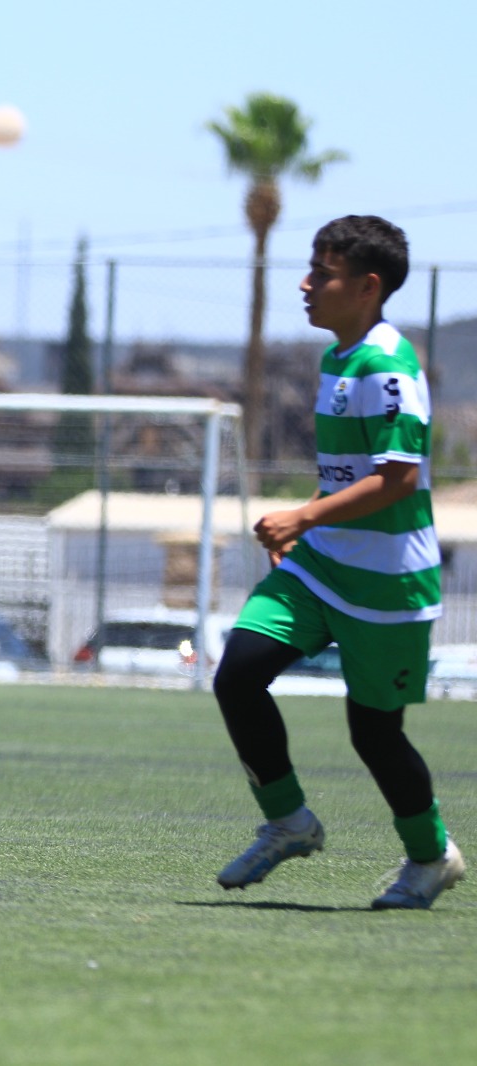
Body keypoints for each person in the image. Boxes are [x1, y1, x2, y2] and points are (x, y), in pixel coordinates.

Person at [212, 216, 462, 910]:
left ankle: (430, 856)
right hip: (320, 567)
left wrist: (303, 516)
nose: (305, 284)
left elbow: (397, 479)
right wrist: (308, 522)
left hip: (388, 583)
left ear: (367, 286)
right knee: (239, 674)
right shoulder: (335, 360)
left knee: (375, 734)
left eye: (322, 274)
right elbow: (348, 475)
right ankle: (288, 821)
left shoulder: (388, 366)